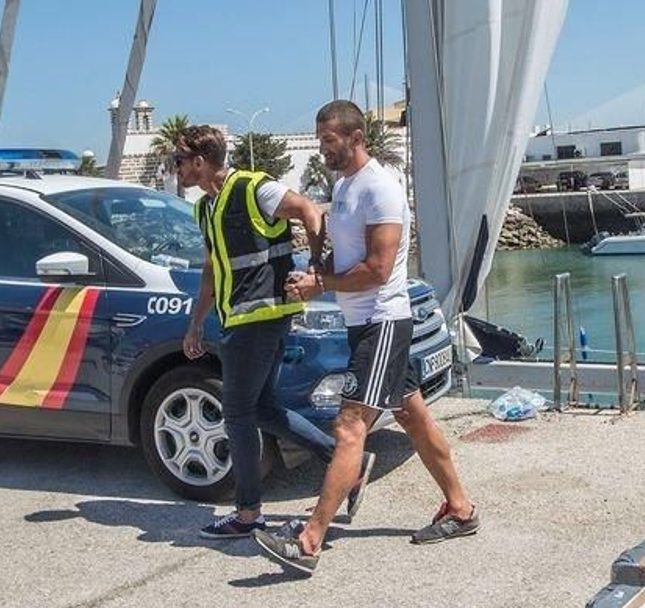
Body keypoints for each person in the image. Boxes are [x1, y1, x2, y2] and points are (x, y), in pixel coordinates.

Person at [255, 99, 477, 576]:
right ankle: (461, 509)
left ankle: (309, 540)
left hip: (382, 321)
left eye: (329, 142)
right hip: (365, 323)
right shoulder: (344, 187)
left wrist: (324, 284)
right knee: (413, 418)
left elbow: (377, 269)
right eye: (319, 142)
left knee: (349, 426)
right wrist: (314, 271)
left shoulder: (380, 189)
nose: (323, 150)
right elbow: (345, 254)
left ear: (357, 138)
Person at [177, 124, 368, 538]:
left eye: (178, 161)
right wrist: (196, 323)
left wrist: (315, 266)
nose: (175, 170)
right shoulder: (204, 209)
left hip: (260, 319)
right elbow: (213, 269)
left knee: (237, 414)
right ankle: (344, 462)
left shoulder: (252, 188)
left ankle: (248, 514)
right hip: (241, 320)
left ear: (198, 162)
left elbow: (309, 211)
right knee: (261, 409)